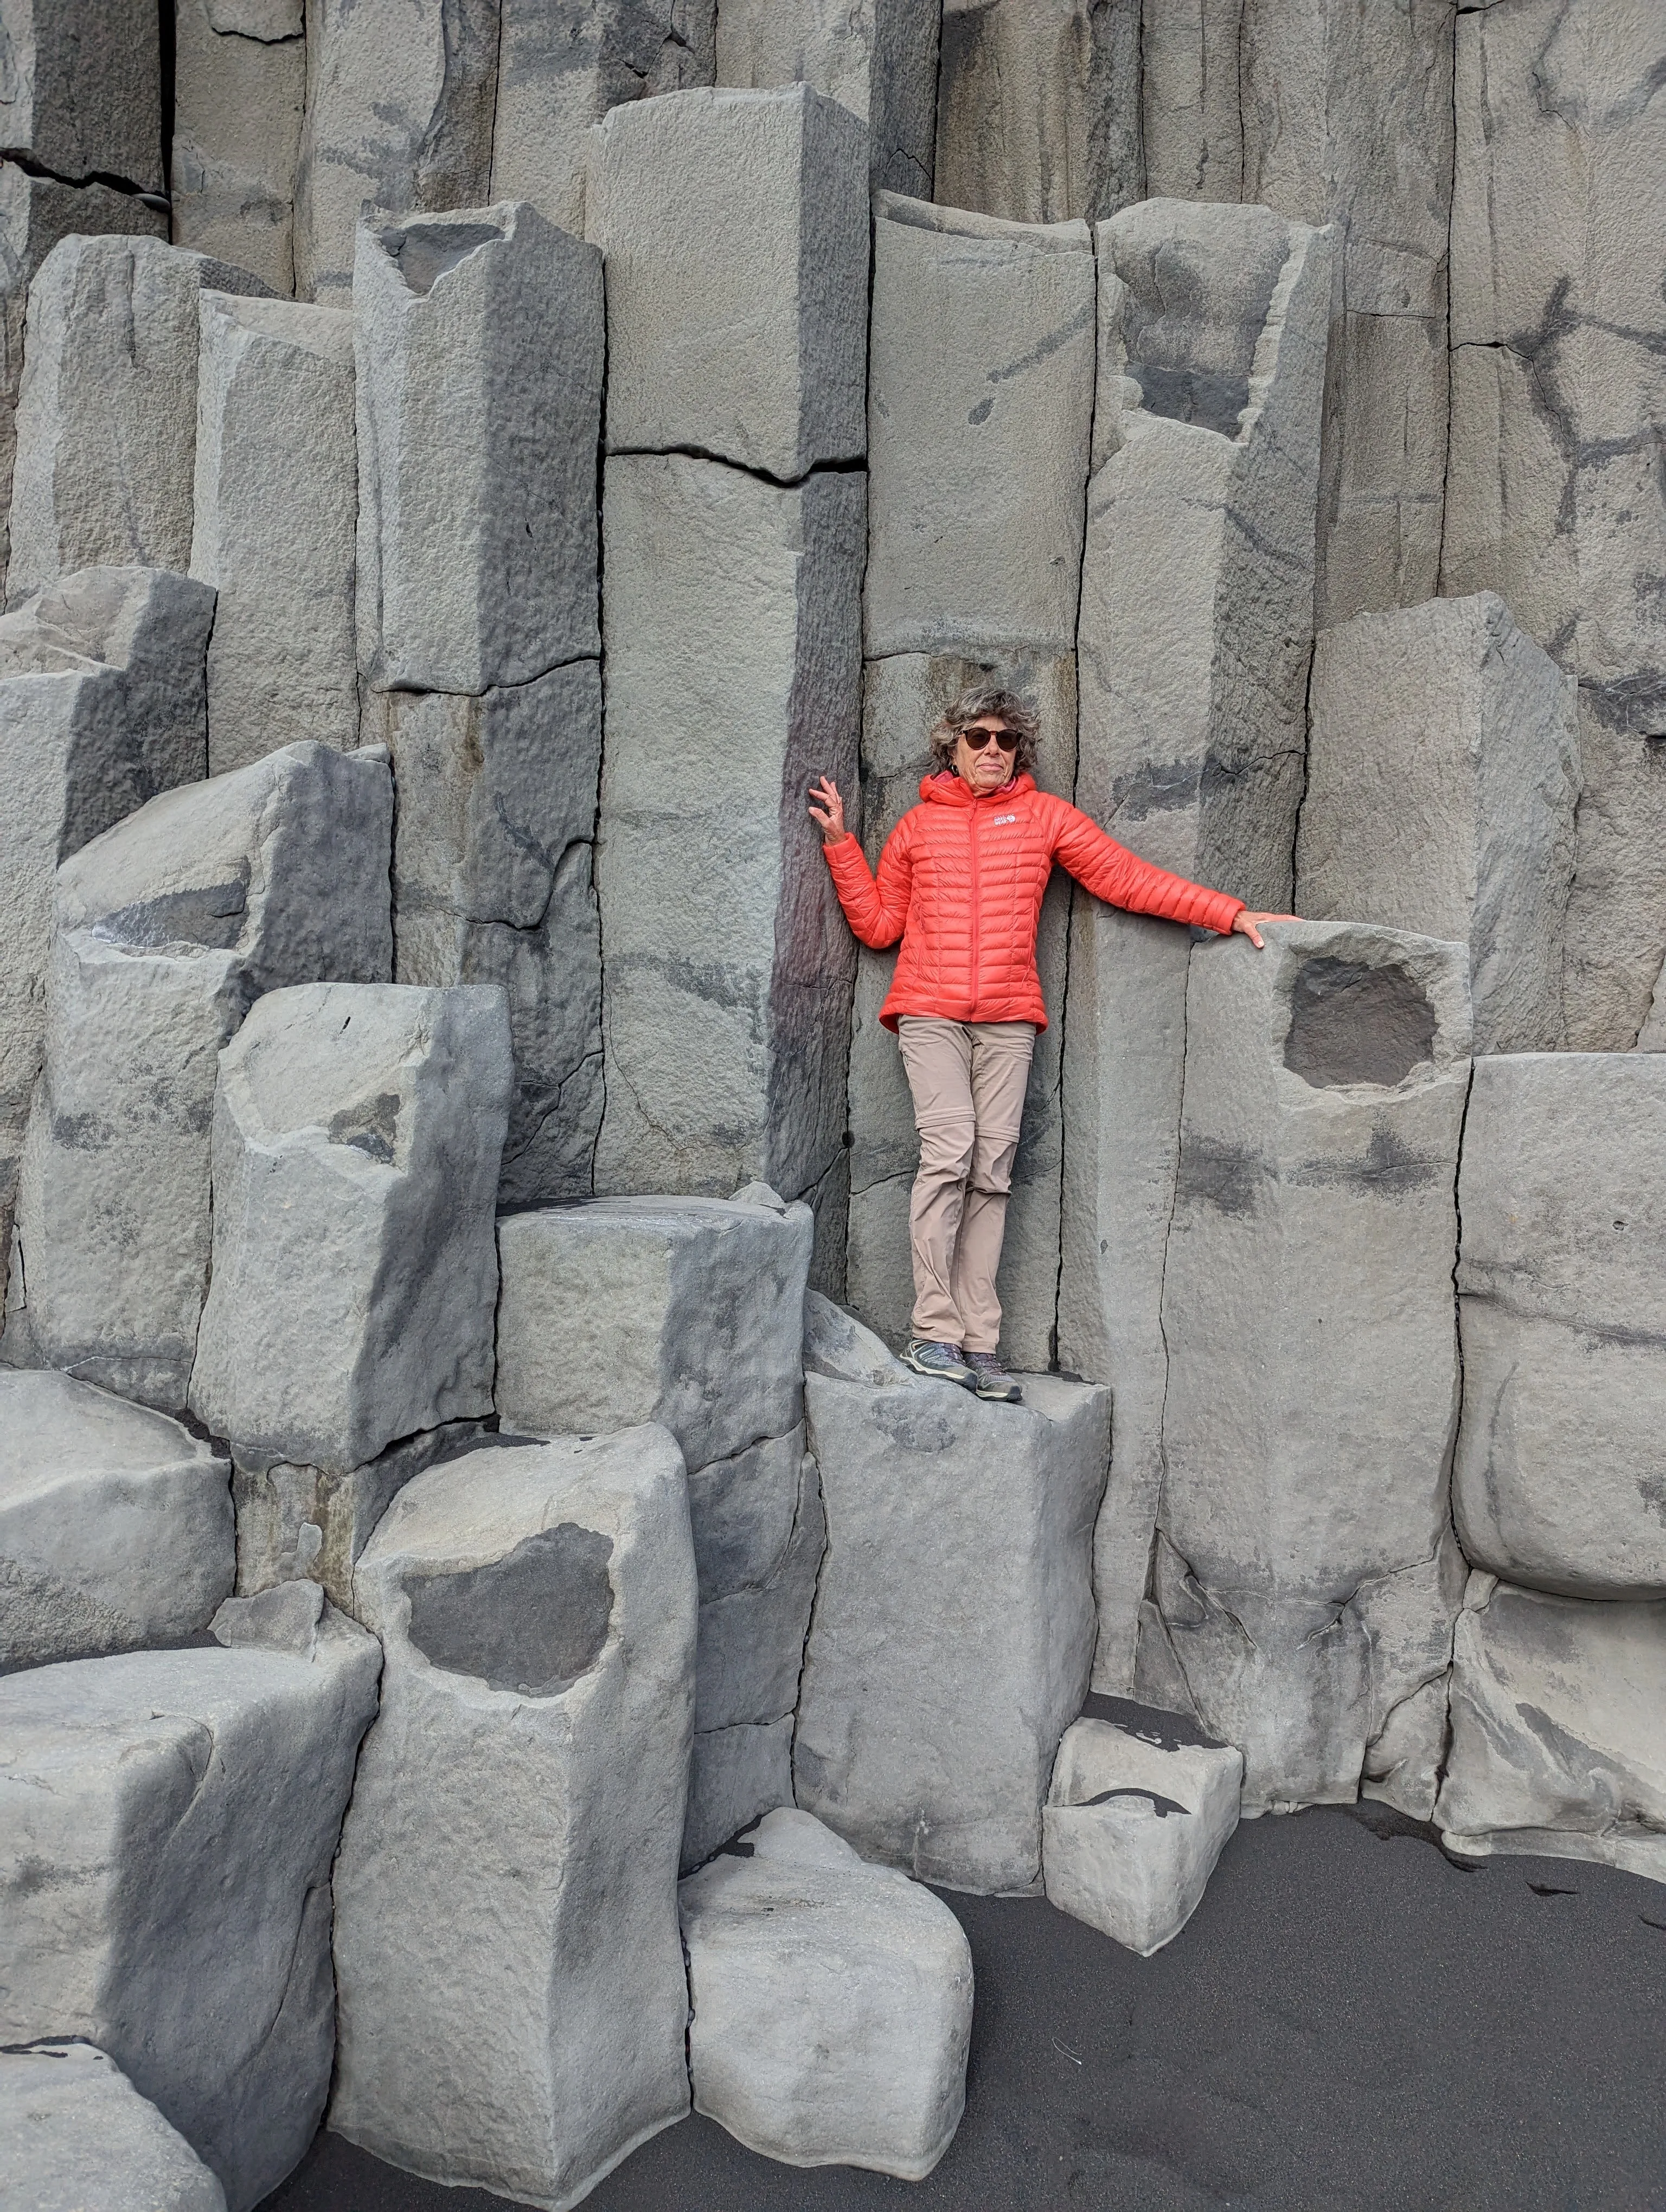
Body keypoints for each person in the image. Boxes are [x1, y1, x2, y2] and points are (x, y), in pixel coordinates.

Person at [809, 683, 1292, 1404]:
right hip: (930, 1012)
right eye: (980, 738)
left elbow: (1125, 879)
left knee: (992, 1172)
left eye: (1008, 740)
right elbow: (880, 927)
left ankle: (979, 1343)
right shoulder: (915, 829)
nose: (995, 750)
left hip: (1008, 1019)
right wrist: (842, 846)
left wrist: (1226, 912)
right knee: (950, 1152)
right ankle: (932, 1333)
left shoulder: (1044, 819)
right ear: (954, 747)